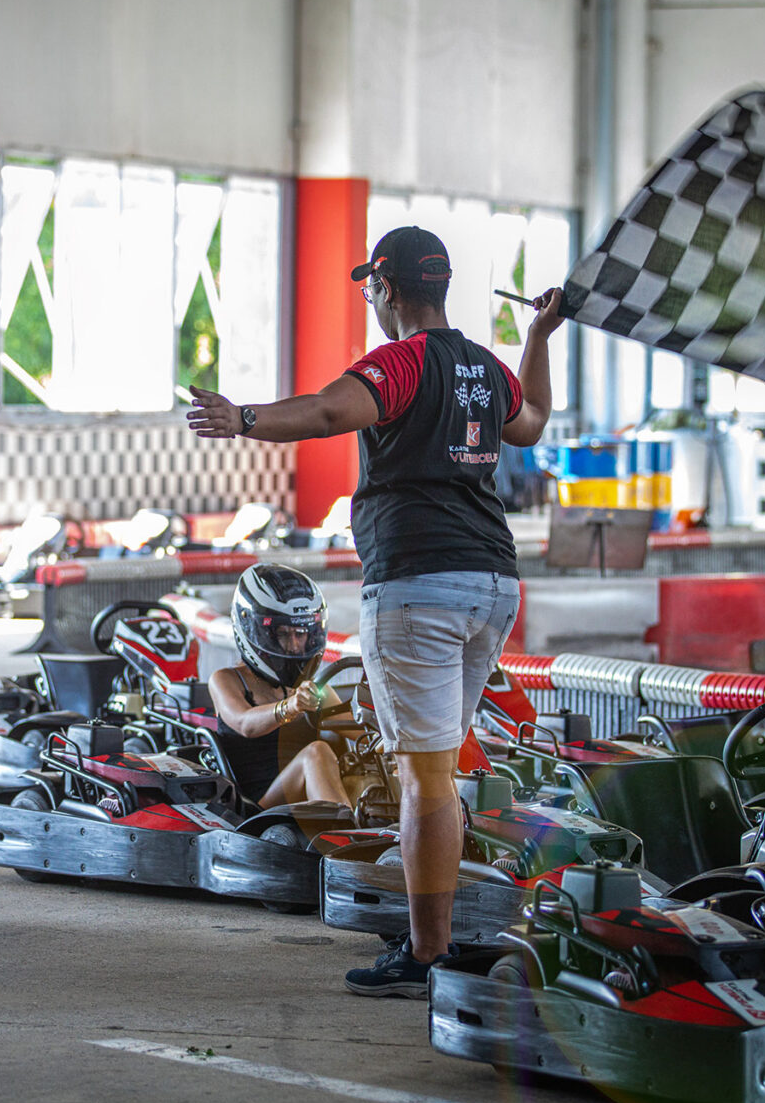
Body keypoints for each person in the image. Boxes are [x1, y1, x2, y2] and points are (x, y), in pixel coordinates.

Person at [188, 225, 562, 998]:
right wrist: (538, 336)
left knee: (424, 778)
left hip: (420, 580)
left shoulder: (402, 361)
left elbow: (330, 412)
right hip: (492, 581)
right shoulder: (484, 368)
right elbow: (531, 424)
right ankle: (435, 933)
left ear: (388, 288)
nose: (371, 301)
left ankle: (426, 953)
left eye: (371, 289)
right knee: (439, 768)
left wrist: (244, 419)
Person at [207, 564, 348, 810]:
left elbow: (358, 728)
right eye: (283, 634)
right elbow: (245, 724)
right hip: (258, 803)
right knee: (316, 753)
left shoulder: (311, 689)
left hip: (308, 794)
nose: (294, 647)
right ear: (256, 631)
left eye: (300, 634)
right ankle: (349, 840)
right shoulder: (226, 679)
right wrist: (290, 707)